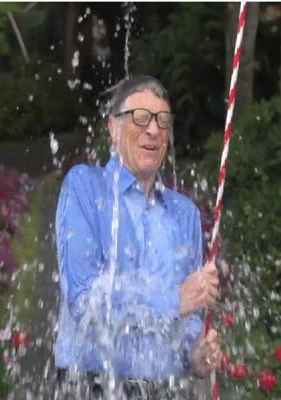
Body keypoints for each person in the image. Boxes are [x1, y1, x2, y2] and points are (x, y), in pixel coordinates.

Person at [54, 75, 221, 398]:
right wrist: (173, 300)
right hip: (92, 384)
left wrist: (195, 355)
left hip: (166, 389)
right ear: (113, 129)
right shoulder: (84, 188)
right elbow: (84, 300)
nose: (154, 130)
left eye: (163, 121)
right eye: (140, 118)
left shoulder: (184, 214)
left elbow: (187, 319)